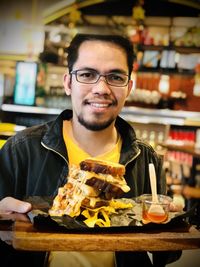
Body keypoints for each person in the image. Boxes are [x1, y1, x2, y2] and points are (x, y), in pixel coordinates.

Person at [0, 33, 181, 267]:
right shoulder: (21, 149)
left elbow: (163, 255)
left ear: (129, 88)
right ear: (68, 83)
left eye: (115, 77)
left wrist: (173, 227)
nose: (101, 88)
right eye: (87, 74)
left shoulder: (147, 159)